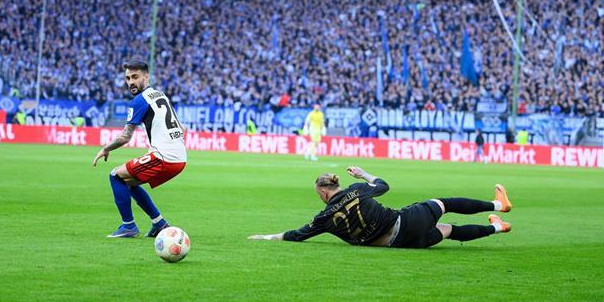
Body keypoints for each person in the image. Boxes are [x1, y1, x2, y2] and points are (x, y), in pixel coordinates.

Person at [248, 166, 512, 248]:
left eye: (319, 193)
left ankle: (498, 228)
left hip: (400, 243)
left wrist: (265, 236)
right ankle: (498, 204)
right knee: (445, 204)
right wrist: (363, 174)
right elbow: (384, 185)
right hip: (407, 222)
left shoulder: (324, 218)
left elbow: (297, 235)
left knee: (449, 231)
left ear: (324, 191)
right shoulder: (358, 189)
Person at [92, 60, 187, 238]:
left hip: (164, 158)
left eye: (135, 77)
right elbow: (182, 129)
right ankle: (159, 223)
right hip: (179, 158)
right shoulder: (160, 95)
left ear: (146, 76)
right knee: (129, 181)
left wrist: (105, 149)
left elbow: (125, 136)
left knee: (115, 176)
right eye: (127, 78)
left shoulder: (140, 100)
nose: (131, 82)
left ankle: (128, 226)